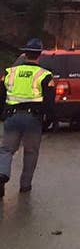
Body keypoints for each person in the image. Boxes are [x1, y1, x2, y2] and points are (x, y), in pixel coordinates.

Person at [0, 39, 54, 198]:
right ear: (40, 55)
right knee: (31, 152)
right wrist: (50, 120)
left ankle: (2, 174)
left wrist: (3, 115)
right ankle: (25, 186)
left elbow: (1, 96)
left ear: (25, 54)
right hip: (33, 119)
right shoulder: (45, 75)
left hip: (12, 116)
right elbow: (49, 101)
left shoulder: (9, 72)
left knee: (6, 150)